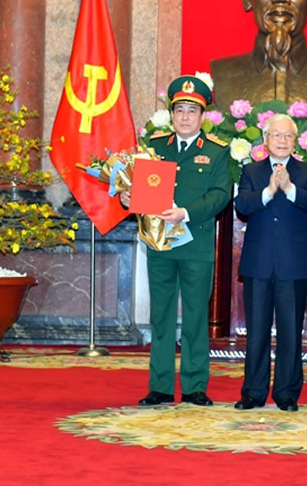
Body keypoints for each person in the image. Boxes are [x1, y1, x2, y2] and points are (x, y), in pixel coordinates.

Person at [119, 74, 231, 407]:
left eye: (192, 111)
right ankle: (161, 386)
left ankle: (195, 386)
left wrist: (185, 212)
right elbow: (139, 188)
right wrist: (127, 198)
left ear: (202, 116)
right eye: (179, 110)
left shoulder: (216, 152)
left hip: (196, 245)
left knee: (196, 317)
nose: (185, 117)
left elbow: (221, 194)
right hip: (160, 244)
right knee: (162, 316)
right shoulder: (155, 148)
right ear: (171, 114)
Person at [233, 114, 307, 412]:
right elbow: (242, 206)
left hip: (294, 264)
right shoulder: (251, 171)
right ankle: (253, 392)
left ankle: (287, 393)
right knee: (256, 332)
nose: (282, 140)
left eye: (288, 135)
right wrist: (270, 190)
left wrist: (289, 188)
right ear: (265, 140)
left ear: (295, 141)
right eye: (276, 135)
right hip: (258, 263)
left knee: (290, 331)